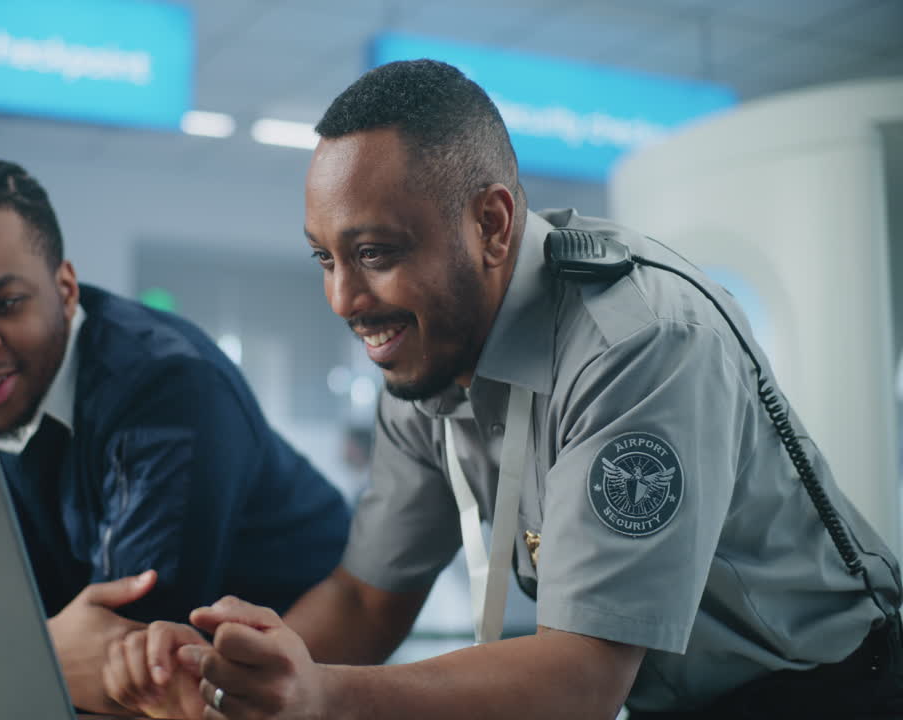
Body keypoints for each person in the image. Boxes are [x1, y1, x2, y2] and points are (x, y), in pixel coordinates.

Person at [102, 60, 903, 718]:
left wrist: (322, 696)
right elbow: (367, 597)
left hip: (834, 689)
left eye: (375, 251)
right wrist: (227, 676)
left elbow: (584, 679)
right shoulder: (425, 347)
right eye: (324, 259)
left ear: (491, 225)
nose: (344, 299)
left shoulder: (640, 342)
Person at [0, 153, 351, 715]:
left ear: (66, 288)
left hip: (309, 633)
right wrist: (41, 650)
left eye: (2, 304)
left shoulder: (166, 387)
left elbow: (127, 661)